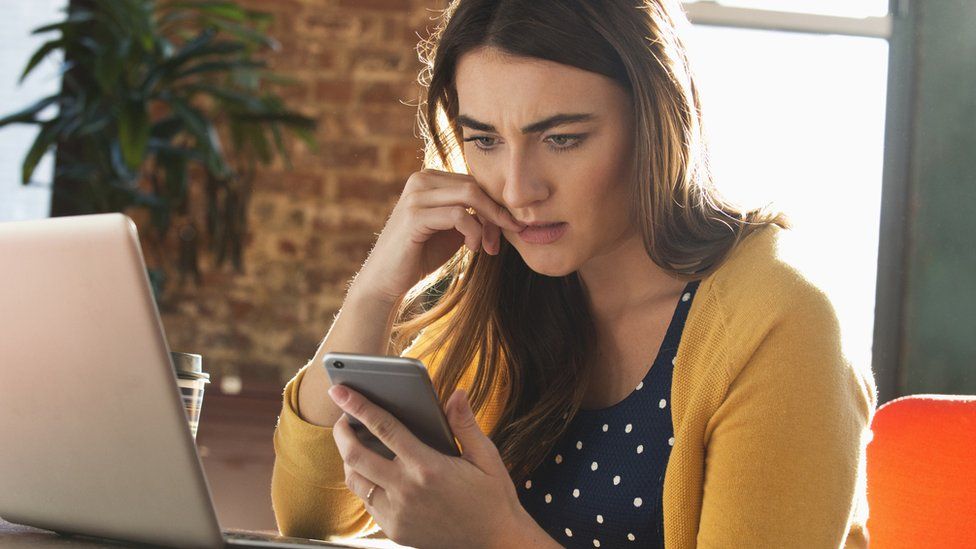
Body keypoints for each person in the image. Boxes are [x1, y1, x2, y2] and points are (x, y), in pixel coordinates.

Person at [271, 0, 878, 547]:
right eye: (484, 141)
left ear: (657, 124)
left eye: (561, 139)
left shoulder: (781, 320)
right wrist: (377, 287)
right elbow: (309, 514)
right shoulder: (514, 291)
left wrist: (494, 538)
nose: (516, 188)